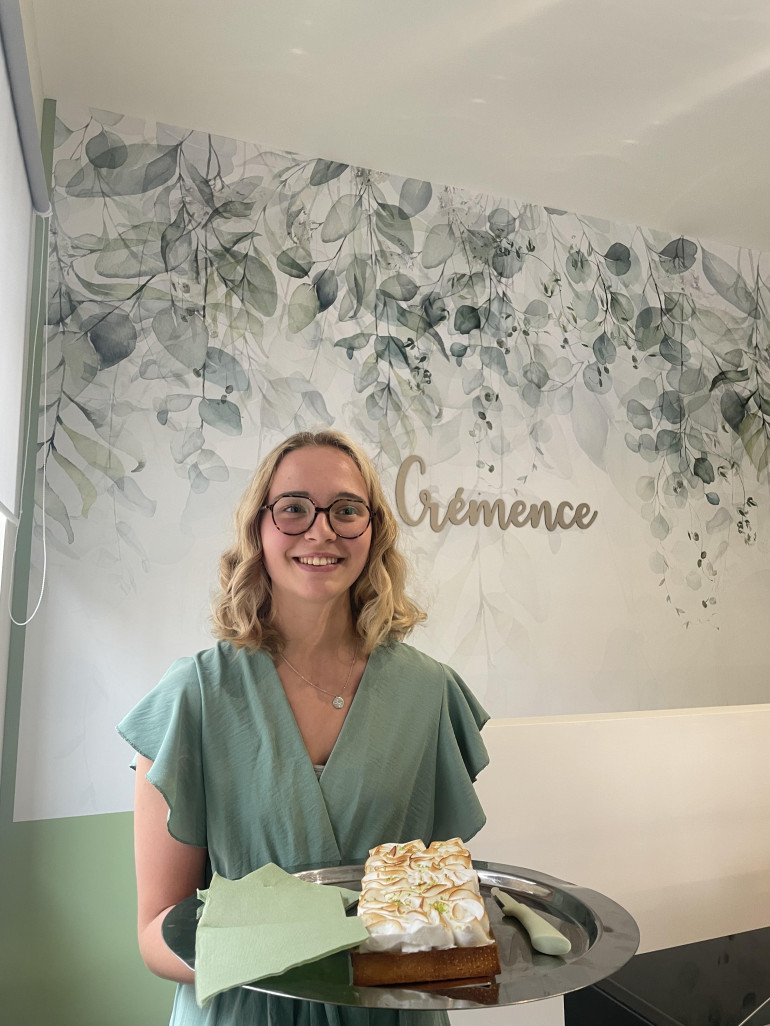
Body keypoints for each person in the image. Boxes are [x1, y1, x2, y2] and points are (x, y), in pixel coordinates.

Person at [118, 429, 489, 1026]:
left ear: (374, 532)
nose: (321, 531)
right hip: (247, 1012)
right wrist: (295, 954)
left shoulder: (429, 694)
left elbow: (432, 899)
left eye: (347, 510)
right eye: (293, 509)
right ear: (258, 529)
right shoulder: (195, 697)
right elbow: (156, 934)